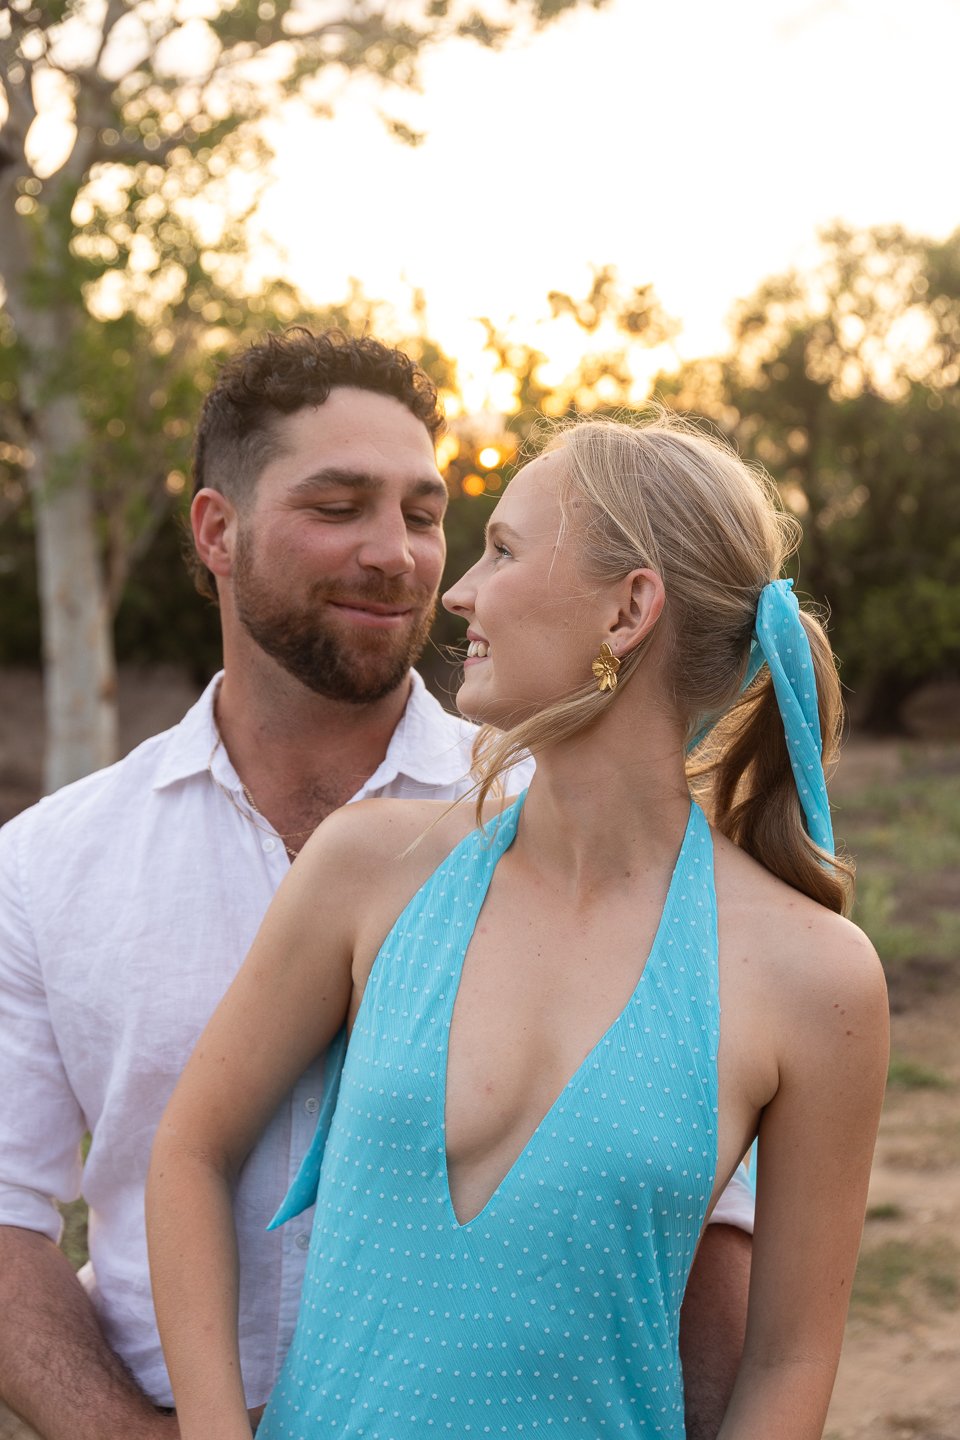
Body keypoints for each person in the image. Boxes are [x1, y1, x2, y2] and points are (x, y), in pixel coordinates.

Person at [0, 336, 750, 1440]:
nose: (397, 555)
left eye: (423, 513)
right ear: (217, 530)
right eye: (338, 506)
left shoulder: (576, 830)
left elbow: (712, 1217)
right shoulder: (45, 865)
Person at [147, 412, 889, 1439]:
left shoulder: (815, 977)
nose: (457, 592)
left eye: (501, 549)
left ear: (628, 611)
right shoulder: (370, 869)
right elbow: (190, 1150)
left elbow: (789, 1360)